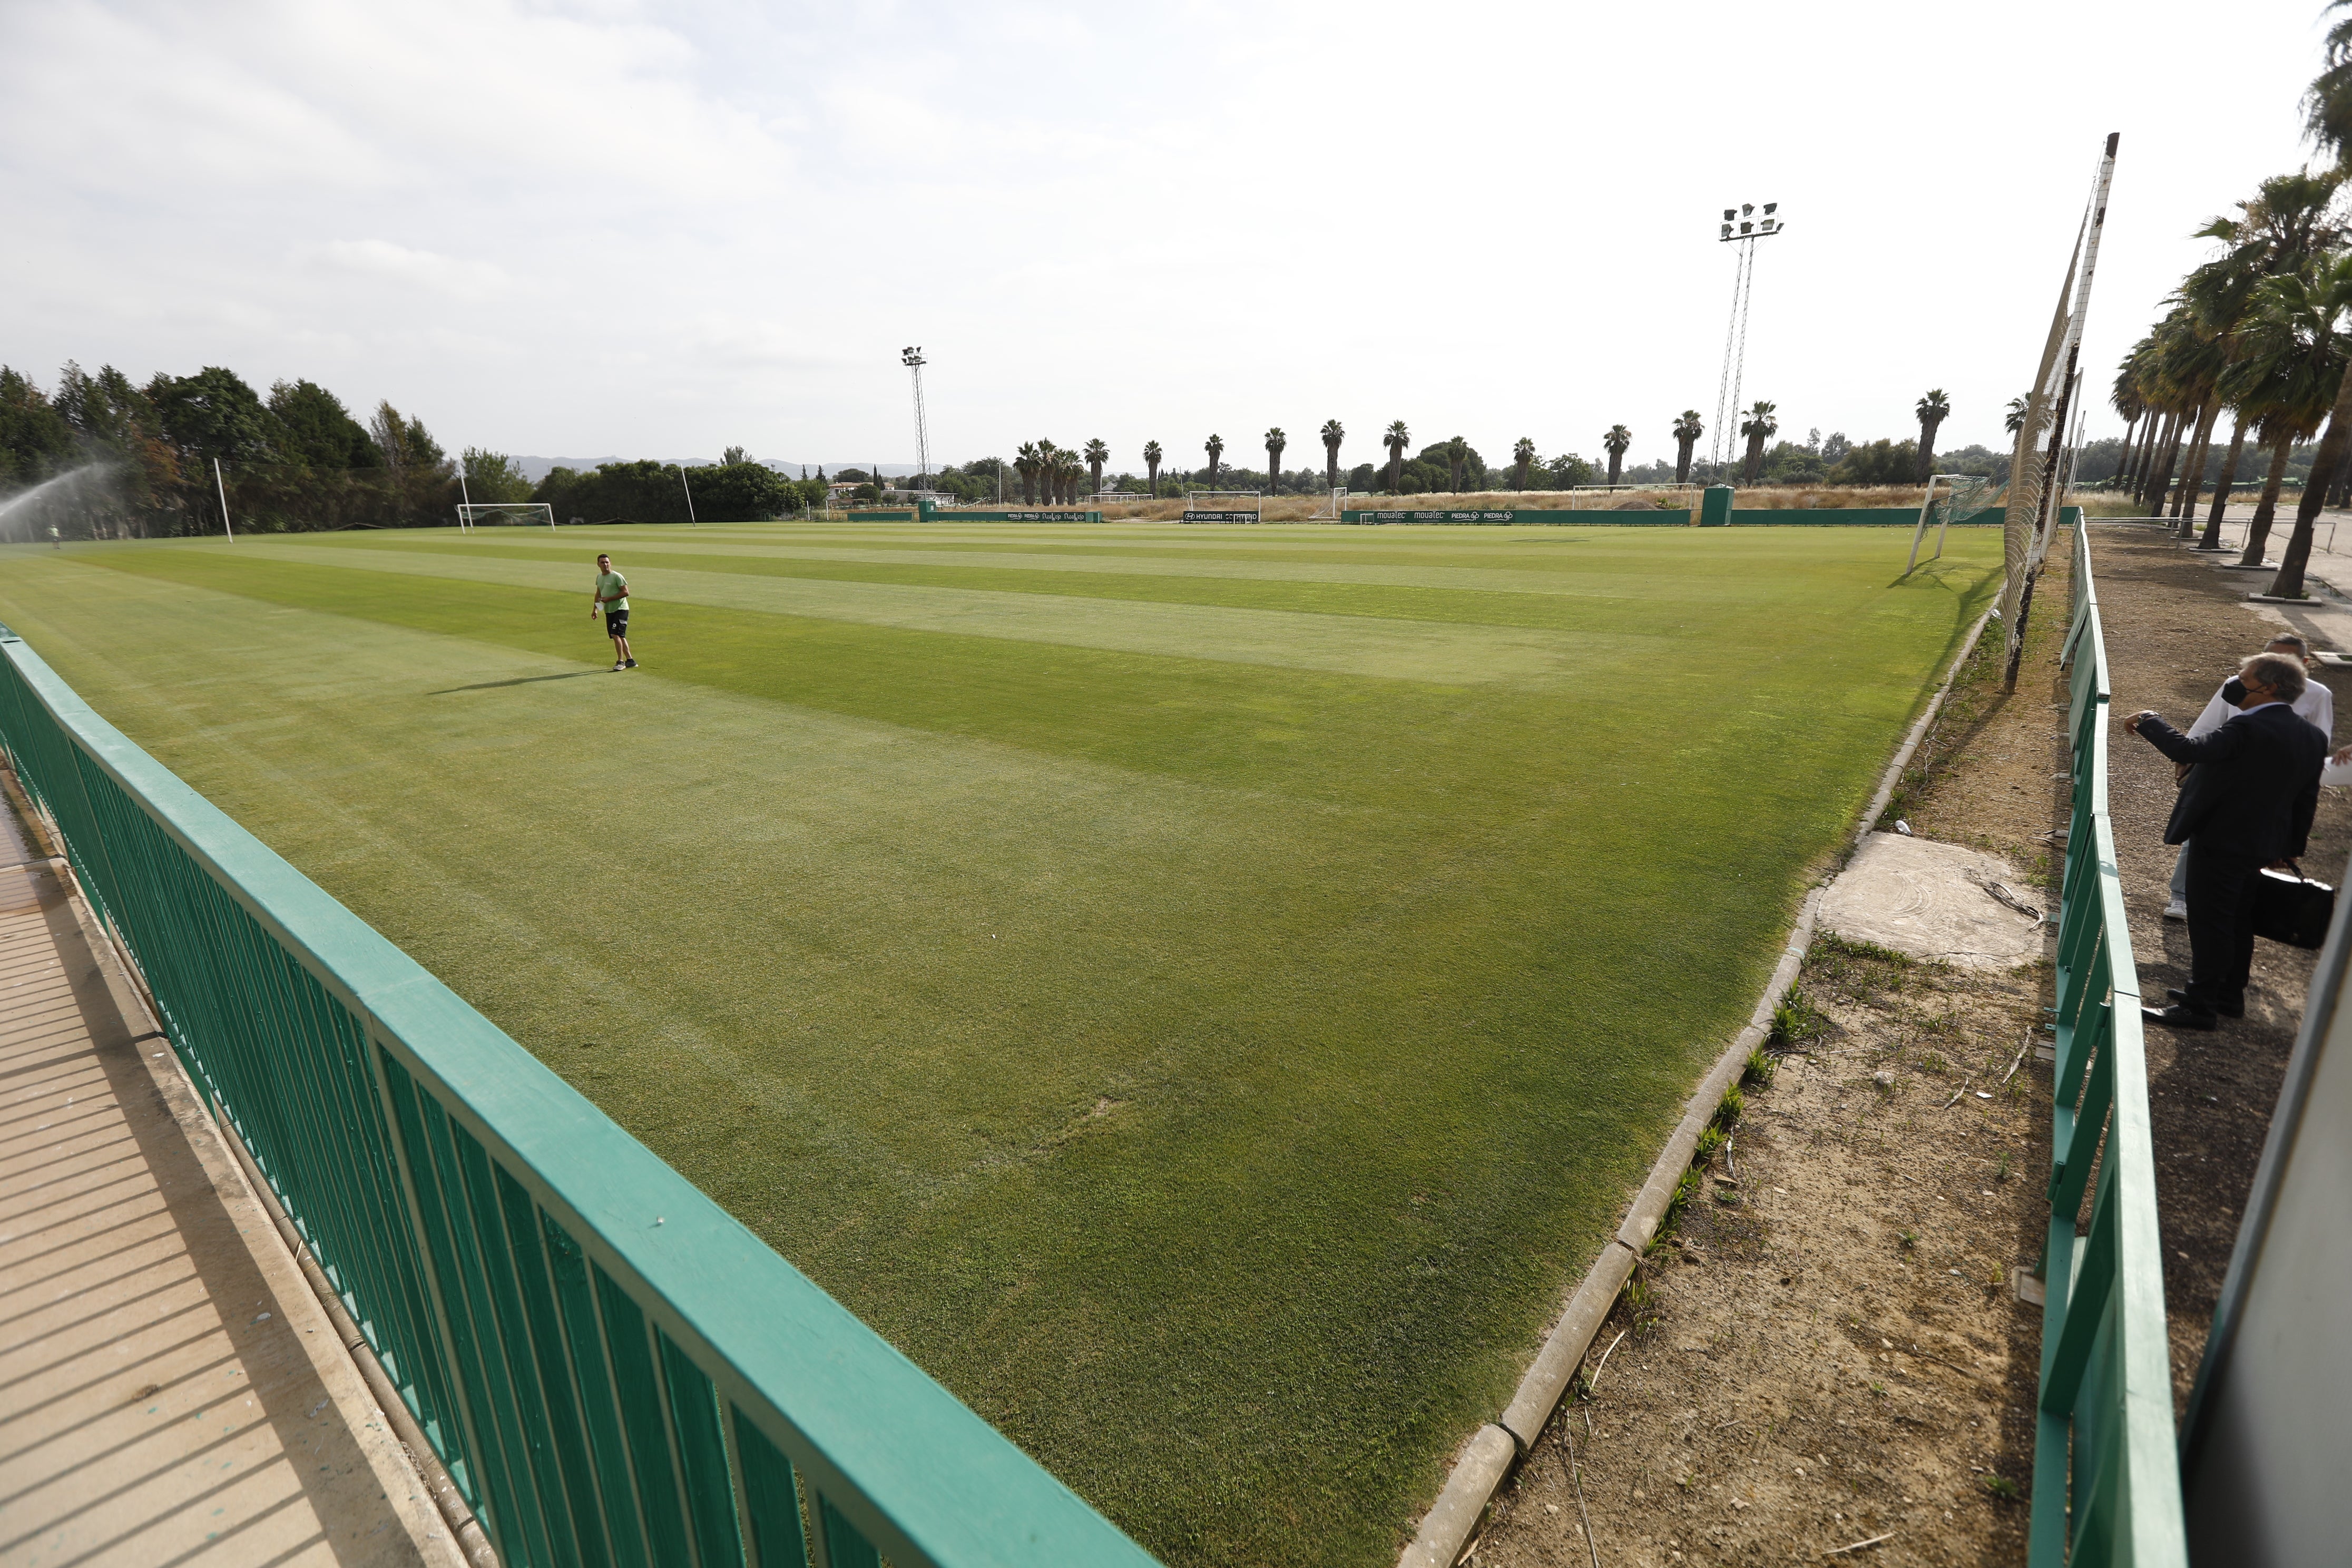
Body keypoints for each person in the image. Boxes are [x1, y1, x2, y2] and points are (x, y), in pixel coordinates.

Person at [2125, 650, 2328, 1030]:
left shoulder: (2247, 728)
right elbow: (2306, 797)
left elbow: (2188, 751)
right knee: (2237, 918)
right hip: (2259, 844)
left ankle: (2199, 1005)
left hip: (2222, 839)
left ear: (2268, 688)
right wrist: (2290, 847)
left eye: (2243, 678)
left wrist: (2149, 720)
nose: (2235, 684)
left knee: (2210, 921)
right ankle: (2228, 996)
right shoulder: (2311, 736)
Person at [2162, 634, 2333, 920]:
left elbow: (2316, 744)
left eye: (2286, 659)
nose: (2275, 663)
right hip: (2223, 777)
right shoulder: (2239, 684)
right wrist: (2187, 760)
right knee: (2199, 837)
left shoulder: (2318, 695)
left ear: (2303, 664)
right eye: (2269, 656)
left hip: (2270, 789)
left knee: (2240, 862)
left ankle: (2230, 911)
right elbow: (2208, 725)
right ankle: (2181, 896)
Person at [590, 553, 635, 670]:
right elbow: (599, 593)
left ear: (610, 563)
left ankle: (621, 662)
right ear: (598, 564)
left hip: (621, 609)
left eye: (607, 562)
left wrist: (609, 599)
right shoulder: (599, 578)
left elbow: (626, 592)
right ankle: (630, 660)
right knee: (619, 635)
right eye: (602, 562)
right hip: (609, 610)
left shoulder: (616, 576)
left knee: (615, 634)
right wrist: (595, 609)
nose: (605, 564)